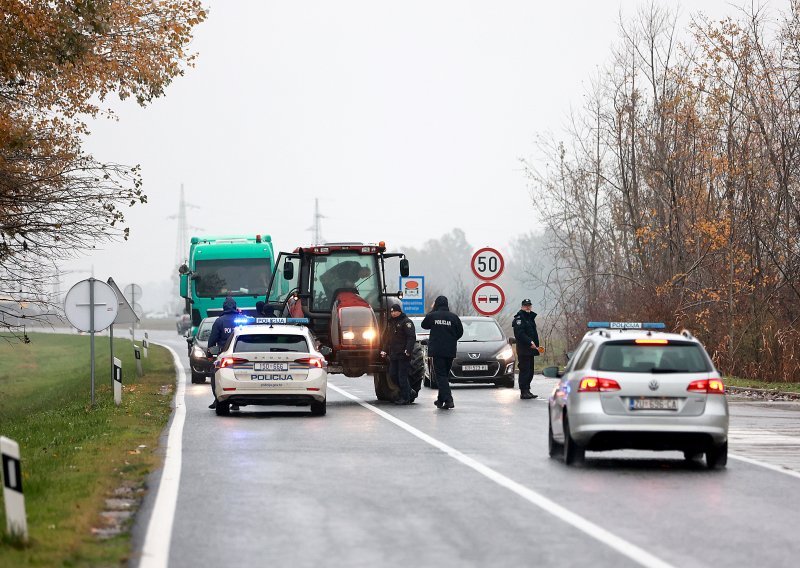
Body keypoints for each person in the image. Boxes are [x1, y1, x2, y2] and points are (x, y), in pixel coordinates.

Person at [421, 295, 463, 410]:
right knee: (444, 375)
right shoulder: (454, 317)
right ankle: (440, 400)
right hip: (450, 351)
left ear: (436, 304)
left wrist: (432, 311)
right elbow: (460, 332)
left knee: (441, 376)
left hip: (437, 351)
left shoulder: (433, 316)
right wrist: (451, 339)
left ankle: (449, 400)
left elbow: (424, 325)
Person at [207, 296, 240, 409]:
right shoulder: (242, 320)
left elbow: (212, 339)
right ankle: (236, 402)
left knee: (215, 375)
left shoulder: (219, 321)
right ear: (235, 307)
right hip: (240, 355)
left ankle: (218, 399)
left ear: (224, 307)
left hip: (224, 354)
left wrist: (209, 354)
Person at [381, 304, 417, 405]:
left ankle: (405, 398)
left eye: (394, 311)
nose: (393, 313)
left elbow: (411, 337)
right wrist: (384, 350)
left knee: (402, 377)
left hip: (403, 354)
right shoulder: (391, 323)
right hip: (394, 354)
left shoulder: (406, 322)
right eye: (391, 312)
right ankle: (410, 391)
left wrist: (408, 350)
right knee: (393, 375)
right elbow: (387, 339)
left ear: (399, 311)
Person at [512, 298, 543, 400]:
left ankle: (527, 390)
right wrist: (530, 342)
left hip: (531, 349)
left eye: (529, 305)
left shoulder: (530, 318)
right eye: (526, 305)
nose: (528, 307)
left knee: (530, 371)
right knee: (524, 371)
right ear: (522, 307)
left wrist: (536, 345)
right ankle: (523, 391)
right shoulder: (519, 319)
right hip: (524, 349)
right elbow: (520, 334)